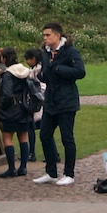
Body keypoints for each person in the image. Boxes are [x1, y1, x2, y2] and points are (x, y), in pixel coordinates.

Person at [34, 22, 86, 187]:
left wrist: (60, 70)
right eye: (44, 35)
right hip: (51, 100)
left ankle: (69, 173)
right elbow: (46, 73)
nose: (45, 38)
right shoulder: (46, 53)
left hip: (67, 100)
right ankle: (51, 172)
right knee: (44, 135)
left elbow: (80, 72)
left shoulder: (70, 52)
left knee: (67, 138)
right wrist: (42, 75)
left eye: (48, 35)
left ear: (57, 36)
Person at [0, 47, 38, 177]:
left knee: (7, 137)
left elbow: (7, 94)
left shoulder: (8, 74)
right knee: (23, 137)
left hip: (11, 110)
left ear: (4, 58)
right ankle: (23, 167)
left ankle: (11, 168)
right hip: (24, 108)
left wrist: (1, 106)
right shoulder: (25, 71)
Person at [19, 47, 44, 171]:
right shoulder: (37, 68)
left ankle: (32, 152)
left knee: (33, 128)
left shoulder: (37, 70)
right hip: (40, 99)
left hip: (38, 100)